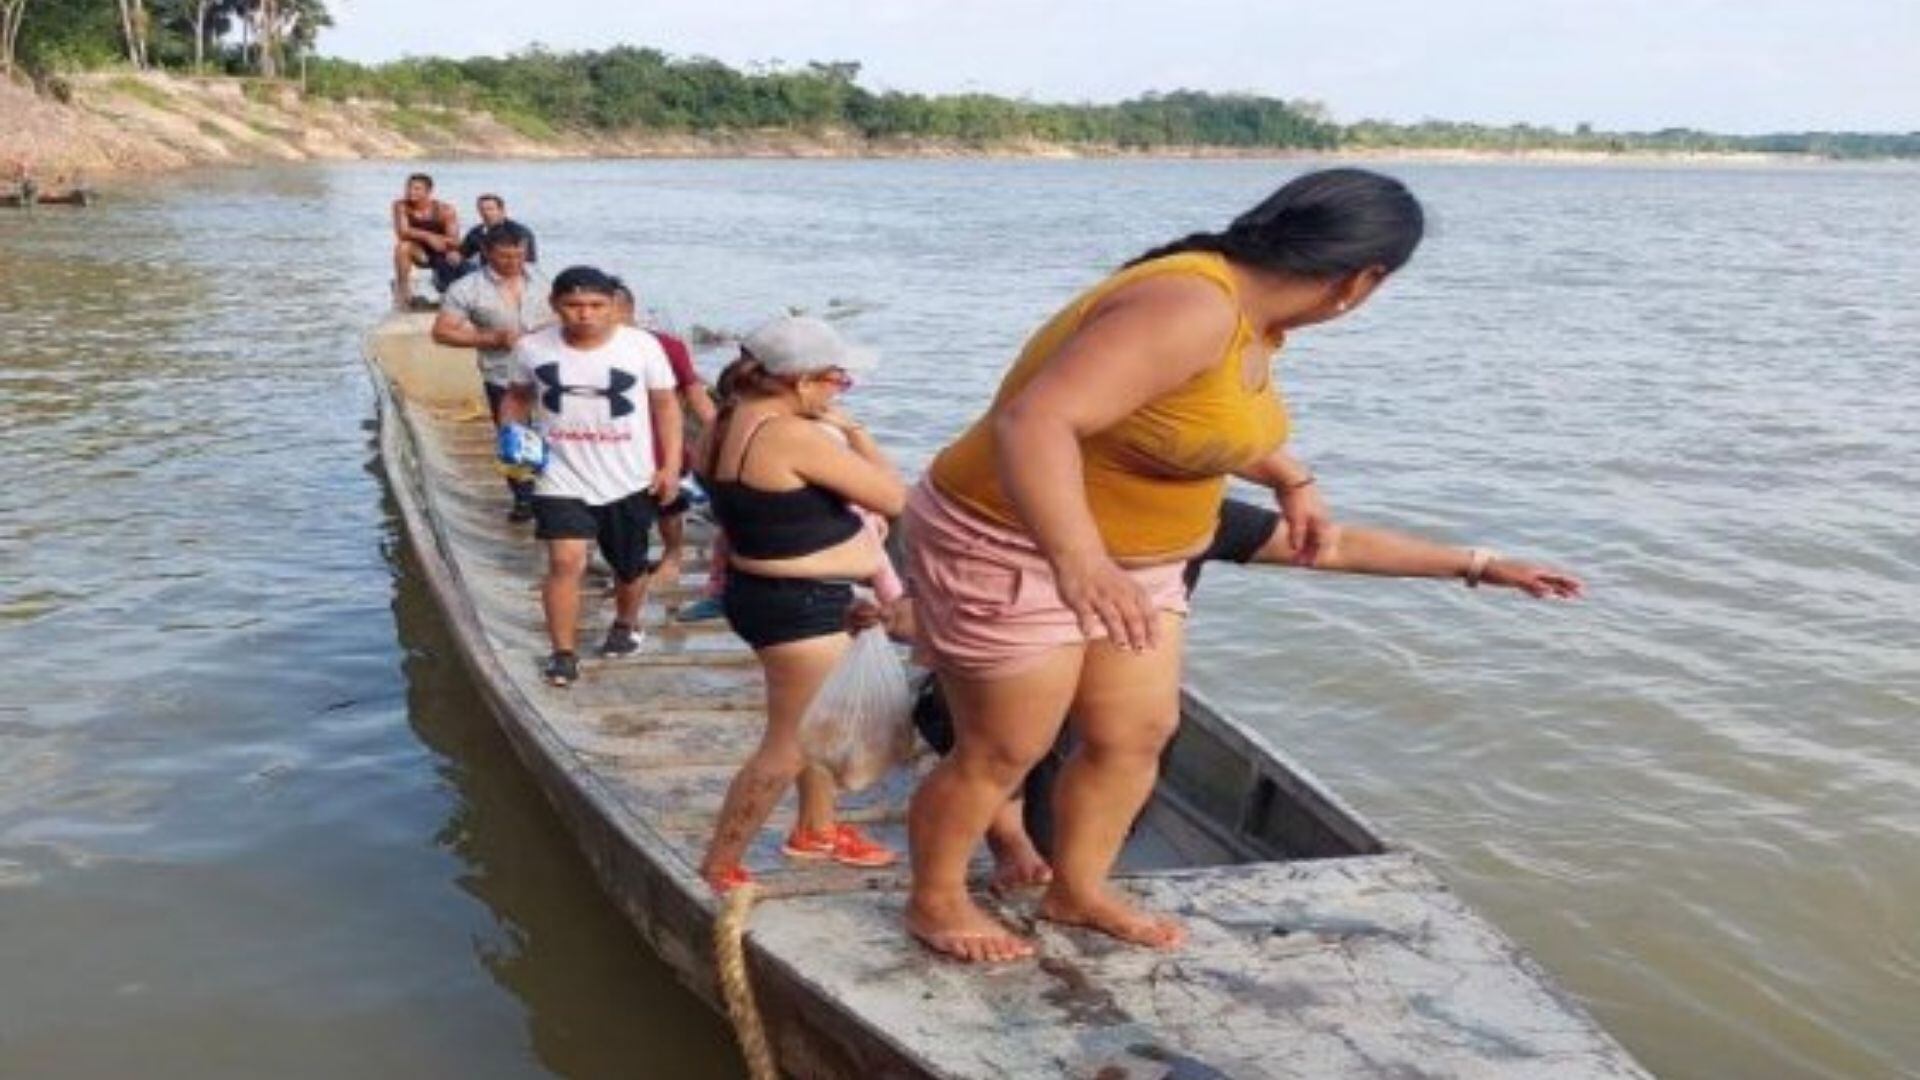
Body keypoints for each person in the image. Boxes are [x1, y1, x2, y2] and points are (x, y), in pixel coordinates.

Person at [903, 168, 1429, 962]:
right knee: (1005, 747)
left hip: (1142, 558)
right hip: (1011, 540)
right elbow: (1034, 420)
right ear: (1362, 280)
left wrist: (1292, 477)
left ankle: (1076, 889)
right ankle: (935, 902)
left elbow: (1187, 418)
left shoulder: (1253, 318)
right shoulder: (1191, 304)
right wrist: (1078, 559)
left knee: (1137, 731)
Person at [886, 495, 1584, 893]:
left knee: (1122, 753)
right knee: (999, 754)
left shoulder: (1189, 510)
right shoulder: (1031, 501)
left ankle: (1067, 880)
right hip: (1008, 673)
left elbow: (1330, 547)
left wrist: (1479, 564)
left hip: (1107, 692)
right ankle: (998, 858)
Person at [694, 316, 906, 892]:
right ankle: (720, 864)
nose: (840, 393)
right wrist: (856, 433)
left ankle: (816, 829)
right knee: (787, 744)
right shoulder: (791, 435)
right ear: (804, 381)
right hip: (800, 608)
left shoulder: (724, 422)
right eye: (838, 382)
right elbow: (893, 496)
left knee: (818, 720)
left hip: (763, 595)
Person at [496, 266, 683, 687]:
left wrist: (669, 466)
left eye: (596, 305)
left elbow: (666, 406)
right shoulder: (531, 347)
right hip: (560, 474)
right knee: (565, 561)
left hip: (628, 476)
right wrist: (511, 433)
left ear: (614, 306)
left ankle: (626, 622)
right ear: (555, 305)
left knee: (629, 566)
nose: (585, 314)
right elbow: (518, 395)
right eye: (574, 305)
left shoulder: (642, 347)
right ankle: (562, 653)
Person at [434, 230, 552, 521]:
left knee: (553, 430)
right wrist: (494, 338)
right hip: (503, 373)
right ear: (486, 252)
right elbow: (443, 332)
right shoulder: (466, 288)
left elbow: (564, 312)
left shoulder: (542, 278)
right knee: (513, 436)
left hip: (549, 370)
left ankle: (552, 491)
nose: (514, 261)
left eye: (519, 254)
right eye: (505, 256)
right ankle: (523, 497)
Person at [611, 281, 716, 589]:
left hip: (659, 437)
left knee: (668, 506)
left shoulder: (667, 346)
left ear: (630, 311)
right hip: (612, 439)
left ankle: (672, 558)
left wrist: (718, 431)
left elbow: (694, 393)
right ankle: (627, 561)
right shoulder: (587, 348)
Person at [390, 173, 463, 308]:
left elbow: (454, 241)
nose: (410, 191)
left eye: (417, 189)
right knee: (402, 247)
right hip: (419, 253)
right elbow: (402, 232)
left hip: (442, 252)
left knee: (451, 284)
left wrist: (444, 245)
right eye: (408, 187)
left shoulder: (445, 210)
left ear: (428, 191)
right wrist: (429, 237)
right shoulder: (401, 206)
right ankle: (403, 292)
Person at [461, 193, 539, 267]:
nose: (485, 213)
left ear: (501, 210)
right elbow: (463, 252)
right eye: (482, 209)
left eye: (490, 209)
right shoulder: (477, 232)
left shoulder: (519, 232)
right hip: (486, 274)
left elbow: (528, 263)